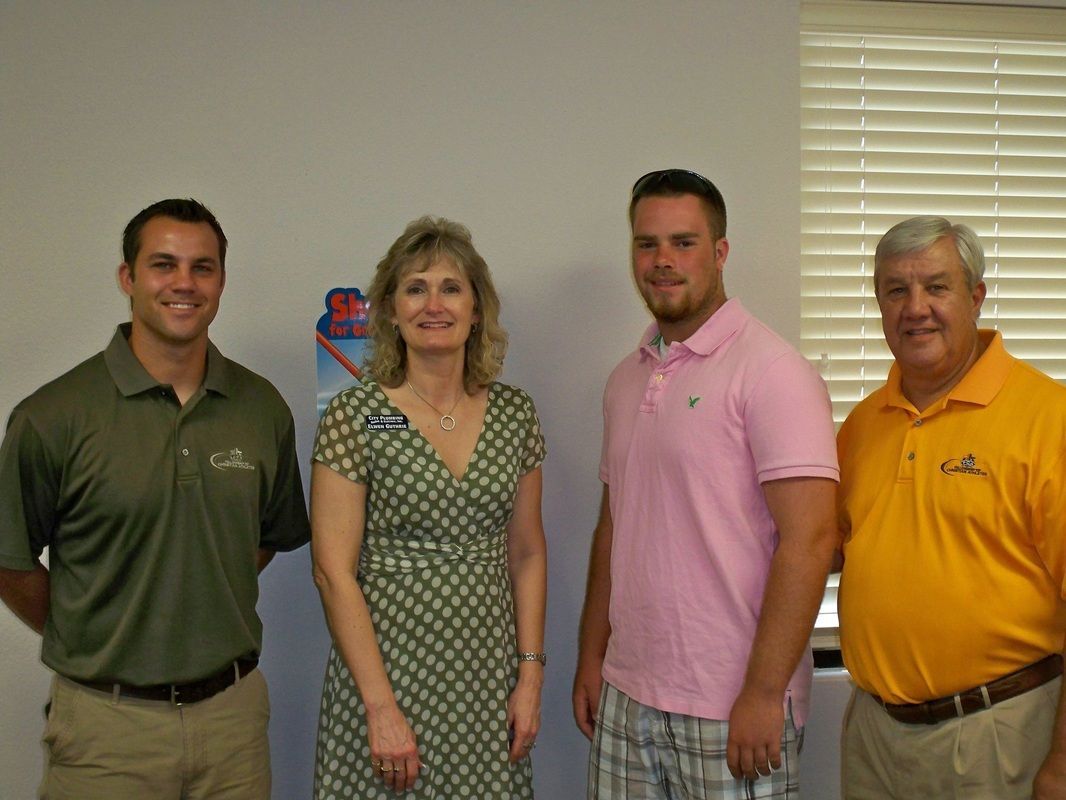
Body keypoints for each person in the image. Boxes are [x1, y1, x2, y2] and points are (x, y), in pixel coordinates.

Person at [0, 198, 311, 799]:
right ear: (129, 278)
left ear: (221, 281)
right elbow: (10, 562)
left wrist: (197, 593)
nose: (184, 284)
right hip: (107, 729)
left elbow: (268, 537)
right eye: (163, 264)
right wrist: (91, 633)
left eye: (203, 267)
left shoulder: (261, 408)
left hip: (234, 723)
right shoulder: (52, 416)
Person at [573, 169, 839, 799]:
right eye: (647, 244)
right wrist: (592, 657)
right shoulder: (626, 378)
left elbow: (812, 539)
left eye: (683, 242)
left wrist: (763, 691)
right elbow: (615, 526)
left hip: (732, 704)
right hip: (628, 694)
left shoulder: (774, 373)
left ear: (720, 252)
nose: (663, 261)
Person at [310, 215, 547, 798]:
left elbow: (527, 551)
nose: (433, 304)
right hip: (386, 678)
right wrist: (380, 708)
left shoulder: (515, 413)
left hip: (488, 680)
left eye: (450, 288)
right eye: (415, 288)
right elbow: (332, 572)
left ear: (476, 308)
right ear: (390, 310)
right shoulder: (358, 414)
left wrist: (531, 675)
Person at [837, 216, 1066, 800]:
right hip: (874, 737)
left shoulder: (1048, 419)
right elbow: (826, 550)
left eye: (936, 287)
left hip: (997, 736)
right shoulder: (863, 424)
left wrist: (1061, 766)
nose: (916, 308)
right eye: (896, 290)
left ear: (976, 297)